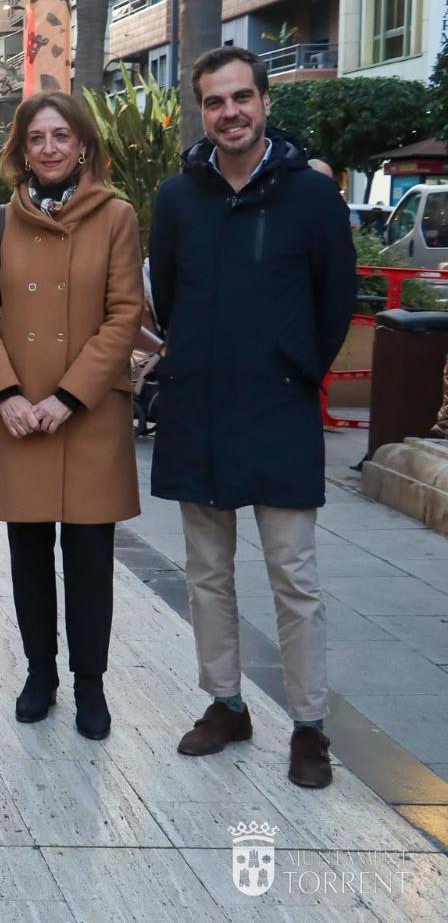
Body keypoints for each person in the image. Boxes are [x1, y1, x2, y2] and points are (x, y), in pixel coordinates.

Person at [149, 47, 356, 789]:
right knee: (207, 573)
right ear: (199, 112)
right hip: (198, 406)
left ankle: (309, 725)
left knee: (293, 576)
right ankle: (226, 704)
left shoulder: (310, 197)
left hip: (280, 408)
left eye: (242, 97)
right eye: (215, 101)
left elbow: (335, 303)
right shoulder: (177, 198)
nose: (229, 111)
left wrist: (295, 366)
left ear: (265, 103)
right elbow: (167, 297)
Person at [0, 91, 144, 740]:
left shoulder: (116, 216)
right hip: (18, 416)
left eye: (60, 137)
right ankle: (40, 673)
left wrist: (68, 396)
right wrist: (7, 394)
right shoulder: (1, 222)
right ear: (21, 149)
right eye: (36, 137)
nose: (48, 148)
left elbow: (126, 314)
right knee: (29, 551)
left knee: (92, 555)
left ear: (84, 145)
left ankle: (90, 684)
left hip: (87, 415)